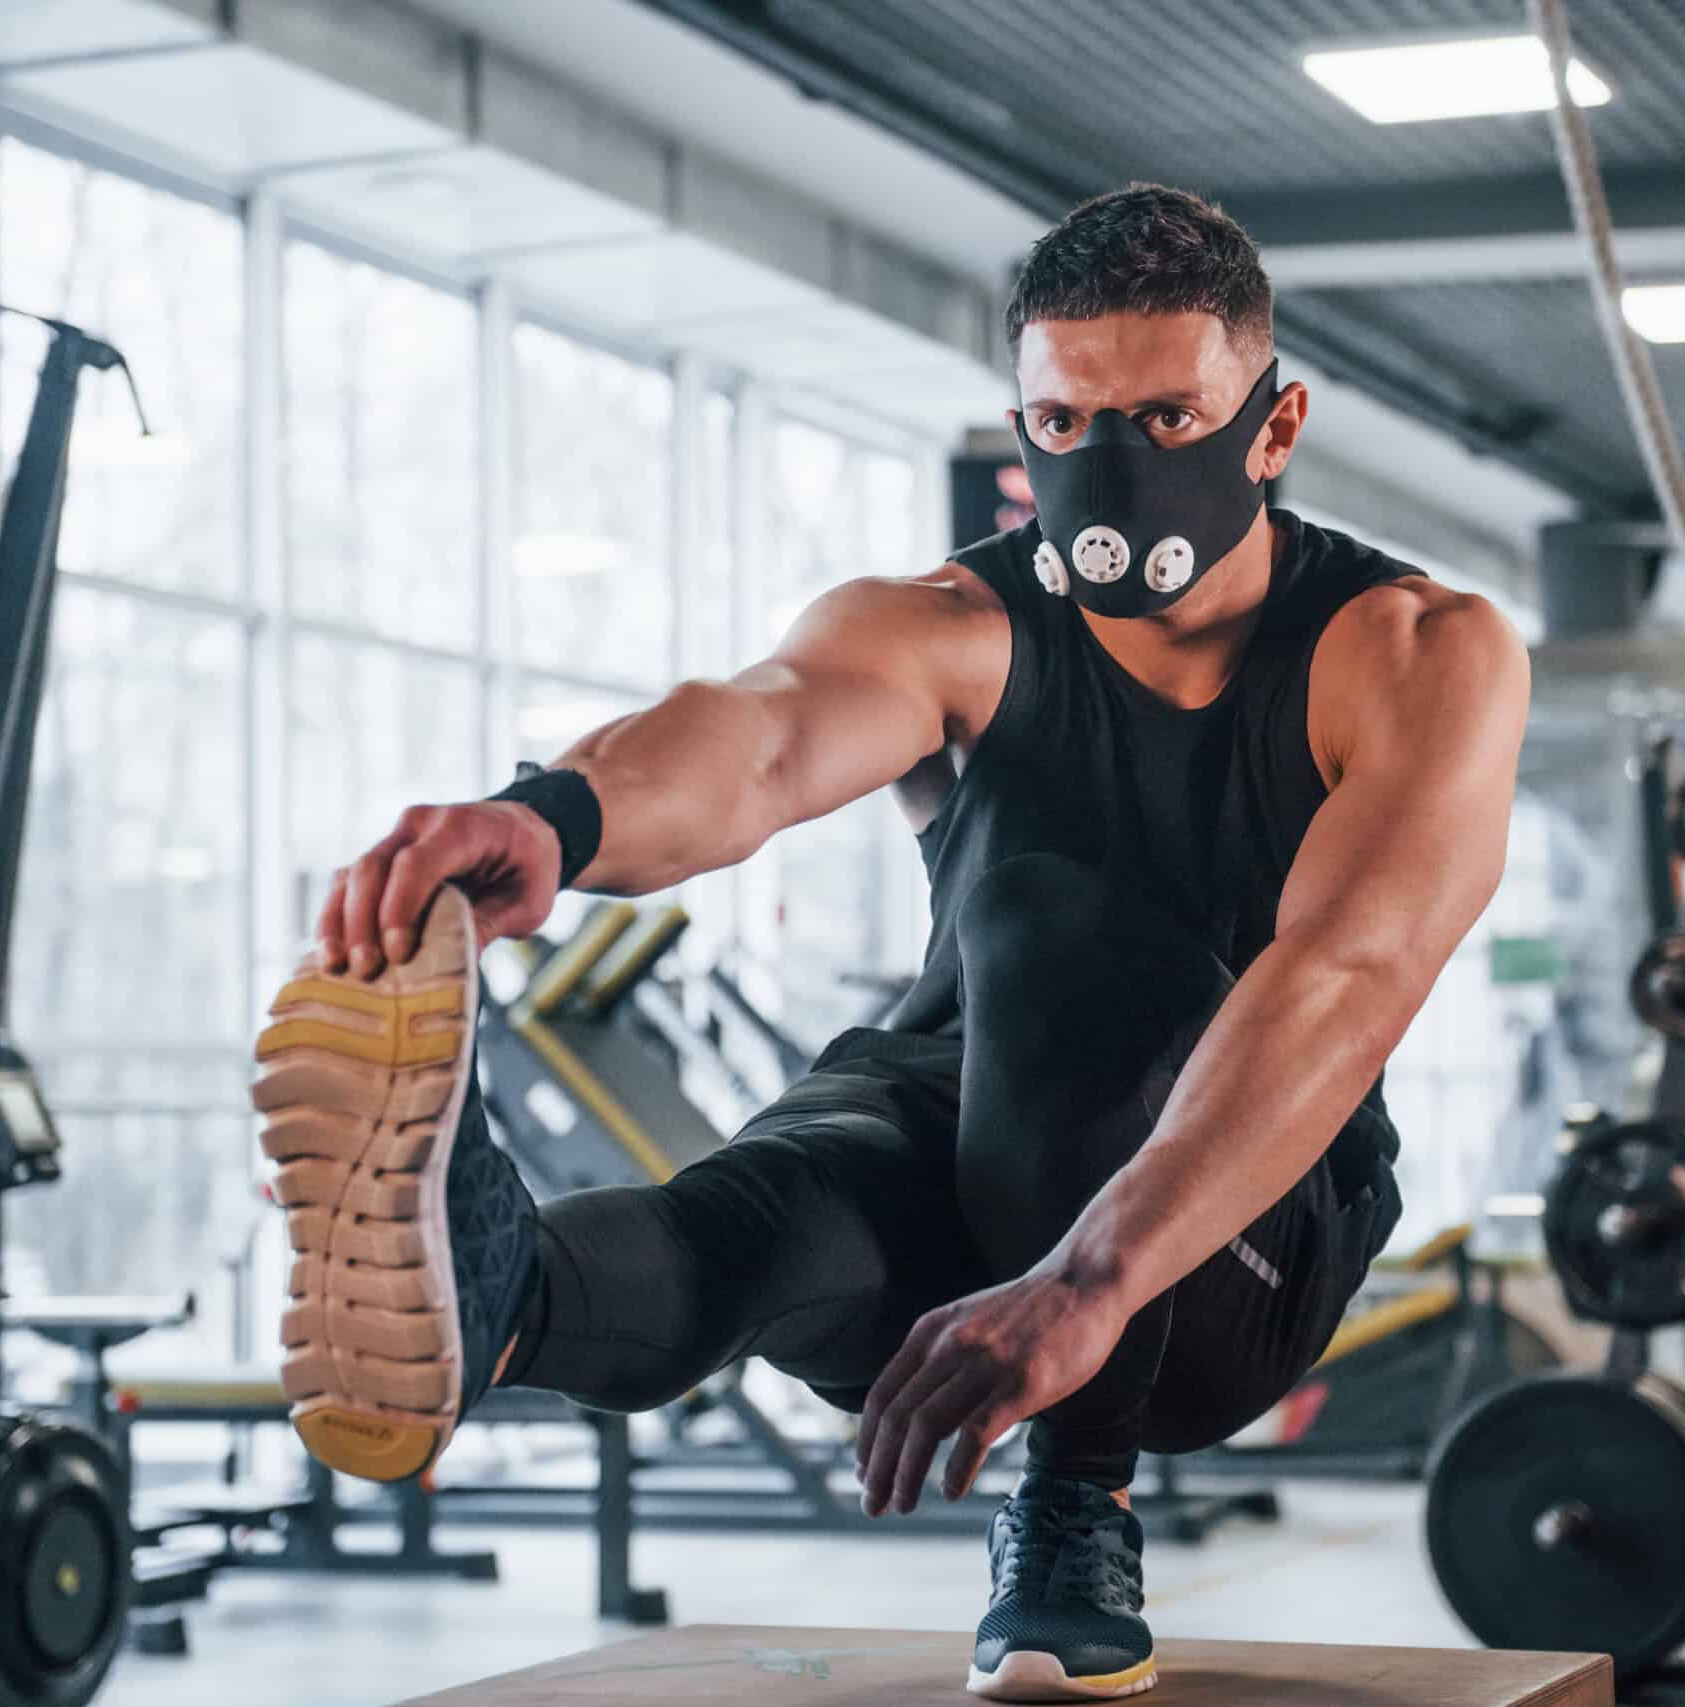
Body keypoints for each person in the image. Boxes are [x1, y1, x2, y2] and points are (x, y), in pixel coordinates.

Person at [252, 184, 1527, 1702]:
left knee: (1063, 919)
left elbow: (1345, 975)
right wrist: (555, 818)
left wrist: (1092, 1277)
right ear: (1020, 427)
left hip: (1228, 1238)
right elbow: (763, 739)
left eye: (1170, 418)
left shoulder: (1411, 651)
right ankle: (498, 1295)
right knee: (768, 1216)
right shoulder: (945, 623)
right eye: (1066, 423)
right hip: (965, 1140)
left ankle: (1075, 1492)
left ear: (1276, 423)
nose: (1114, 465)